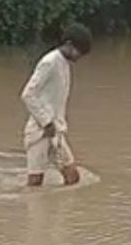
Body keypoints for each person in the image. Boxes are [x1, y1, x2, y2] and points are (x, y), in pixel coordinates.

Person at [21, 23, 92, 187]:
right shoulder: (50, 62)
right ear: (68, 45)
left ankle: (62, 212)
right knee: (35, 184)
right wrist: (46, 122)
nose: (79, 57)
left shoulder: (64, 63)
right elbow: (28, 94)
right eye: (78, 51)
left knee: (72, 178)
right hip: (40, 131)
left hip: (55, 131)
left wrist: (53, 125)